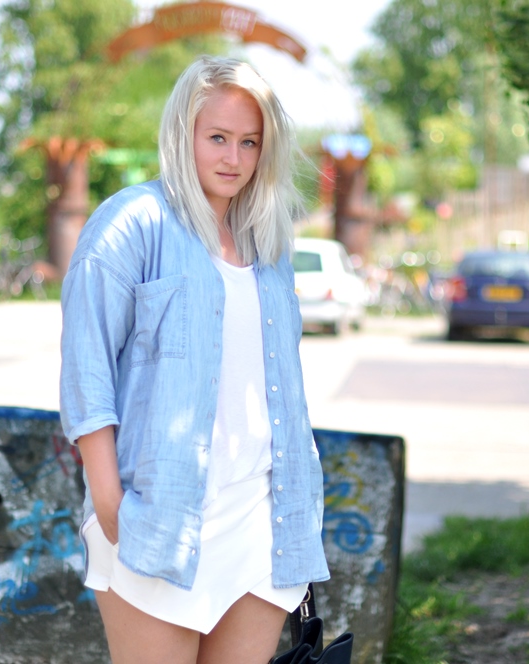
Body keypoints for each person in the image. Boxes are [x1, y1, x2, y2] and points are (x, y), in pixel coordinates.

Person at [59, 55, 330, 664]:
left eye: (249, 142)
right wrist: (111, 507)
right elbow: (86, 372)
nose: (233, 158)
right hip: (158, 515)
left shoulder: (270, 243)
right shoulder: (132, 223)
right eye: (217, 138)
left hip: (262, 521)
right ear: (183, 133)